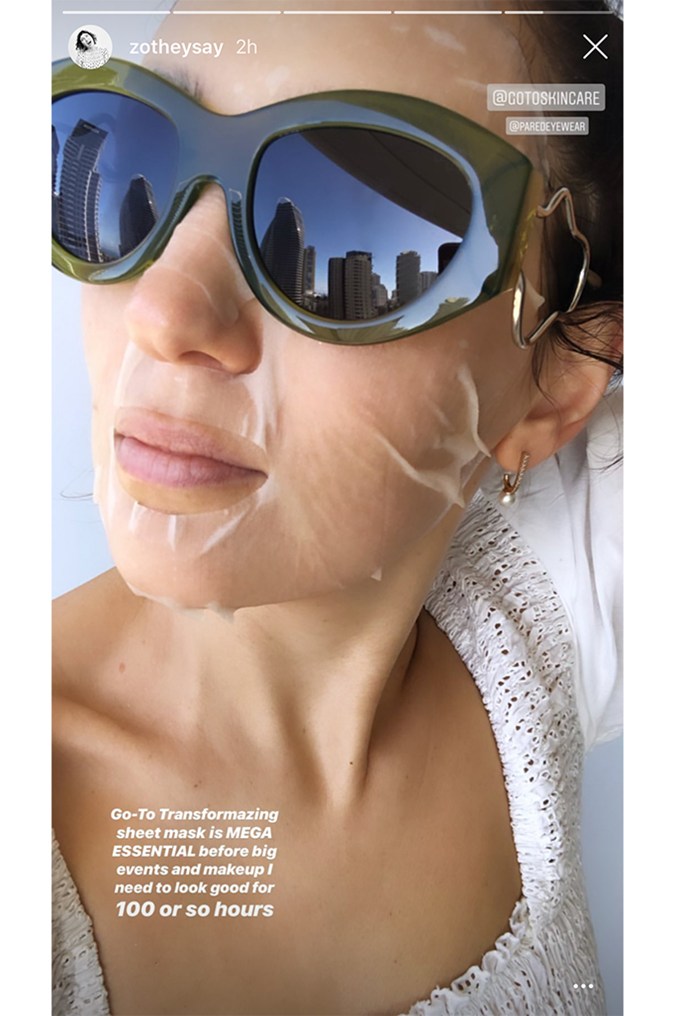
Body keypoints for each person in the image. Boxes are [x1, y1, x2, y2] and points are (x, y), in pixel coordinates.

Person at [52, 1, 623, 1013]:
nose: (162, 311)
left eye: (347, 217)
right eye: (136, 150)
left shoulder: (563, 588)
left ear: (553, 394)